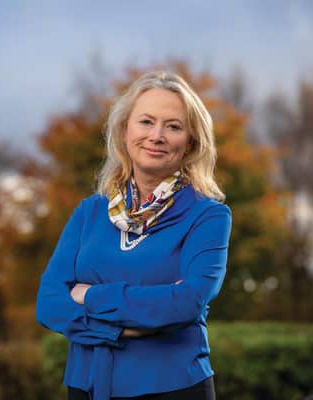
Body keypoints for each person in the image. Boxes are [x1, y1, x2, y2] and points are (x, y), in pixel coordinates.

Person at [35, 70, 232, 400]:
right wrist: (125, 327)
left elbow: (188, 302)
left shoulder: (208, 216)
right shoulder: (90, 212)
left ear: (191, 143)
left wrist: (88, 296)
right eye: (146, 122)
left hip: (173, 388)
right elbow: (49, 303)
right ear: (125, 130)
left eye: (173, 126)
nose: (157, 136)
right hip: (87, 386)